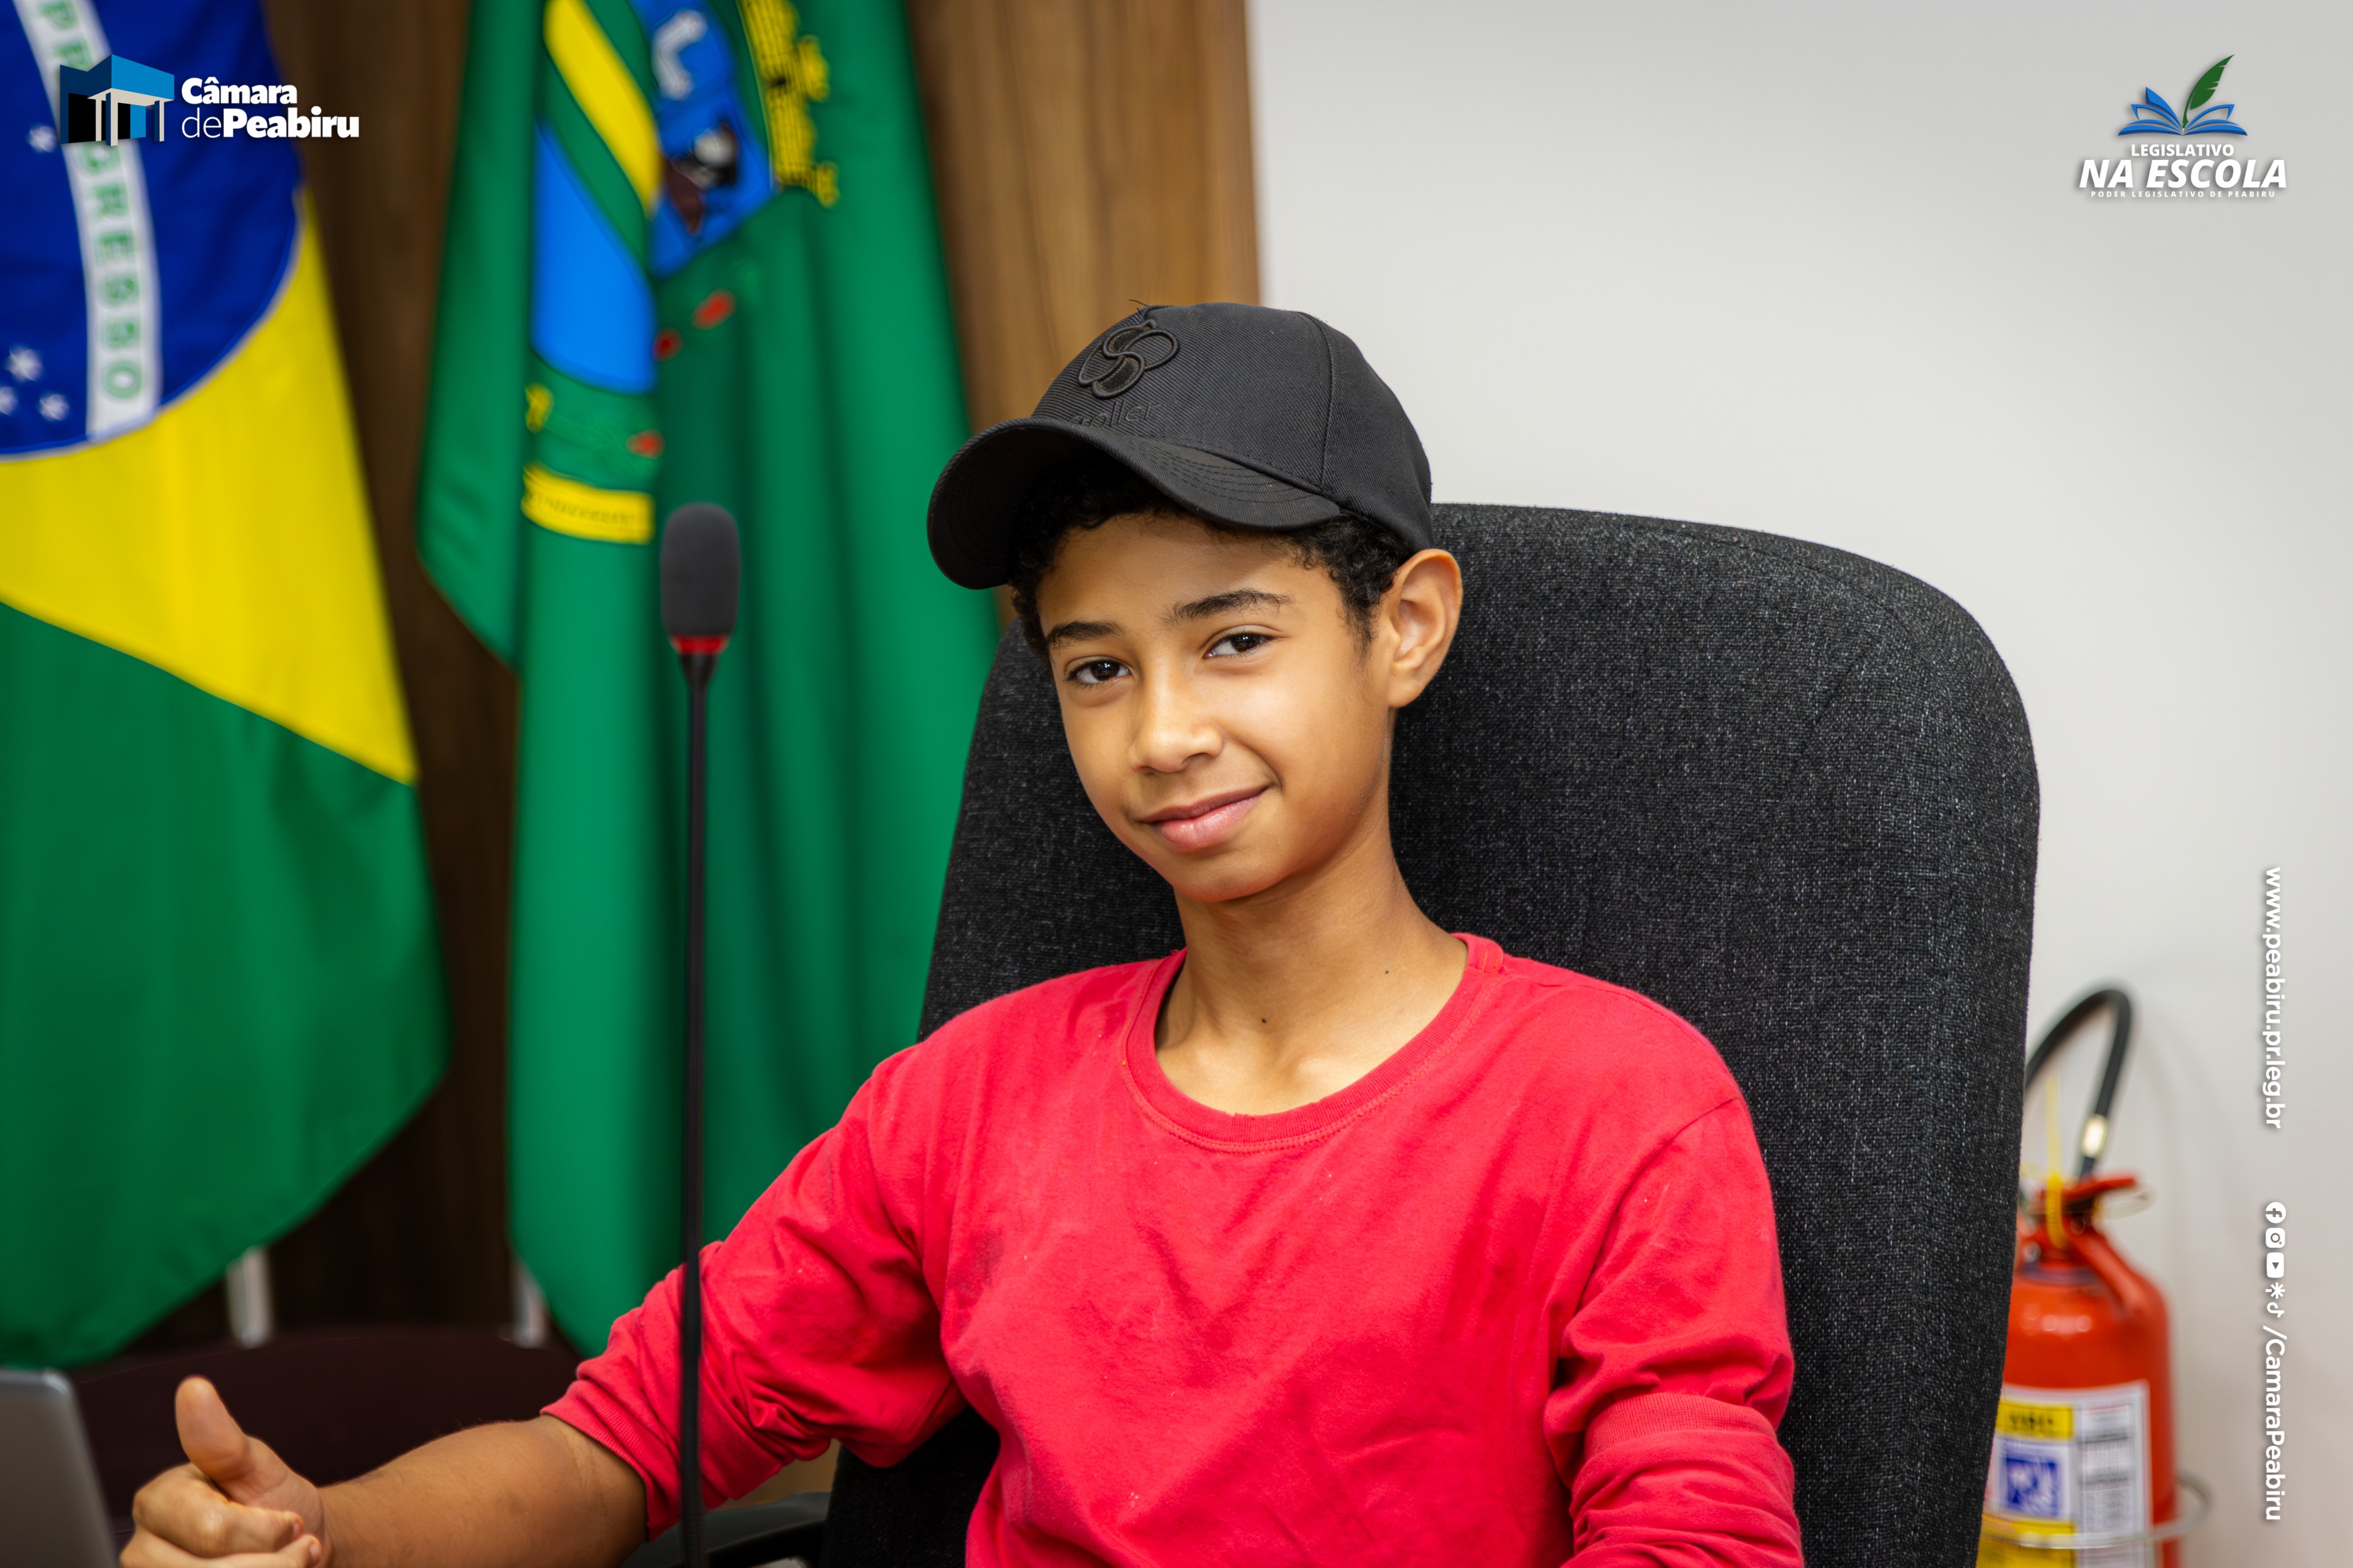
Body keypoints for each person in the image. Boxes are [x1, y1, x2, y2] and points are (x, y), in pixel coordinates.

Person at [126, 304, 1804, 1567]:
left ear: (1406, 627)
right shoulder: (968, 1101)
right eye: (1097, 668)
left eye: (1233, 641)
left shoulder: (1620, 1104)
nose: (1163, 733)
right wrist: (324, 1535)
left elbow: (1697, 1537)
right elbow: (617, 1445)